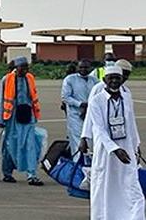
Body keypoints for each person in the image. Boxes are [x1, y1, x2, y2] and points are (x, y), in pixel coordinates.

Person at [86, 65, 145, 220]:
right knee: (105, 187)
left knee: (132, 185)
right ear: (104, 80)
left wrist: (136, 145)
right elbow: (99, 129)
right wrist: (115, 149)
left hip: (126, 149)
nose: (114, 81)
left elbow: (131, 123)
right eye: (110, 78)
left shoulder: (126, 97)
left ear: (122, 80)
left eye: (117, 78)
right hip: (106, 153)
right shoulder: (96, 101)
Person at [0, 56, 44, 186]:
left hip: (27, 116)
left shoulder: (30, 78)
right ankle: (7, 173)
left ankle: (31, 175)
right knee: (10, 146)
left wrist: (35, 115)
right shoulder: (7, 79)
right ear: (16, 68)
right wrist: (0, 119)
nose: (25, 70)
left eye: (26, 67)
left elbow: (33, 96)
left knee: (30, 145)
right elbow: (2, 99)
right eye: (22, 67)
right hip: (11, 118)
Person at [80, 58, 134, 154]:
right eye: (123, 73)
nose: (125, 77)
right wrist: (84, 137)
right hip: (103, 134)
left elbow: (130, 120)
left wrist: (135, 144)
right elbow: (89, 114)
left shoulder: (126, 92)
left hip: (122, 136)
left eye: (127, 75)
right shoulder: (98, 88)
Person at [61, 59, 98, 155]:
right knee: (78, 140)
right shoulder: (70, 79)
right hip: (75, 116)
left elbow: (99, 95)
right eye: (81, 67)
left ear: (90, 68)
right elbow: (65, 97)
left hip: (90, 114)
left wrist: (90, 105)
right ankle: (78, 164)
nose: (83, 69)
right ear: (77, 67)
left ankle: (89, 165)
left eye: (86, 67)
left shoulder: (94, 80)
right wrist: (80, 104)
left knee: (91, 139)